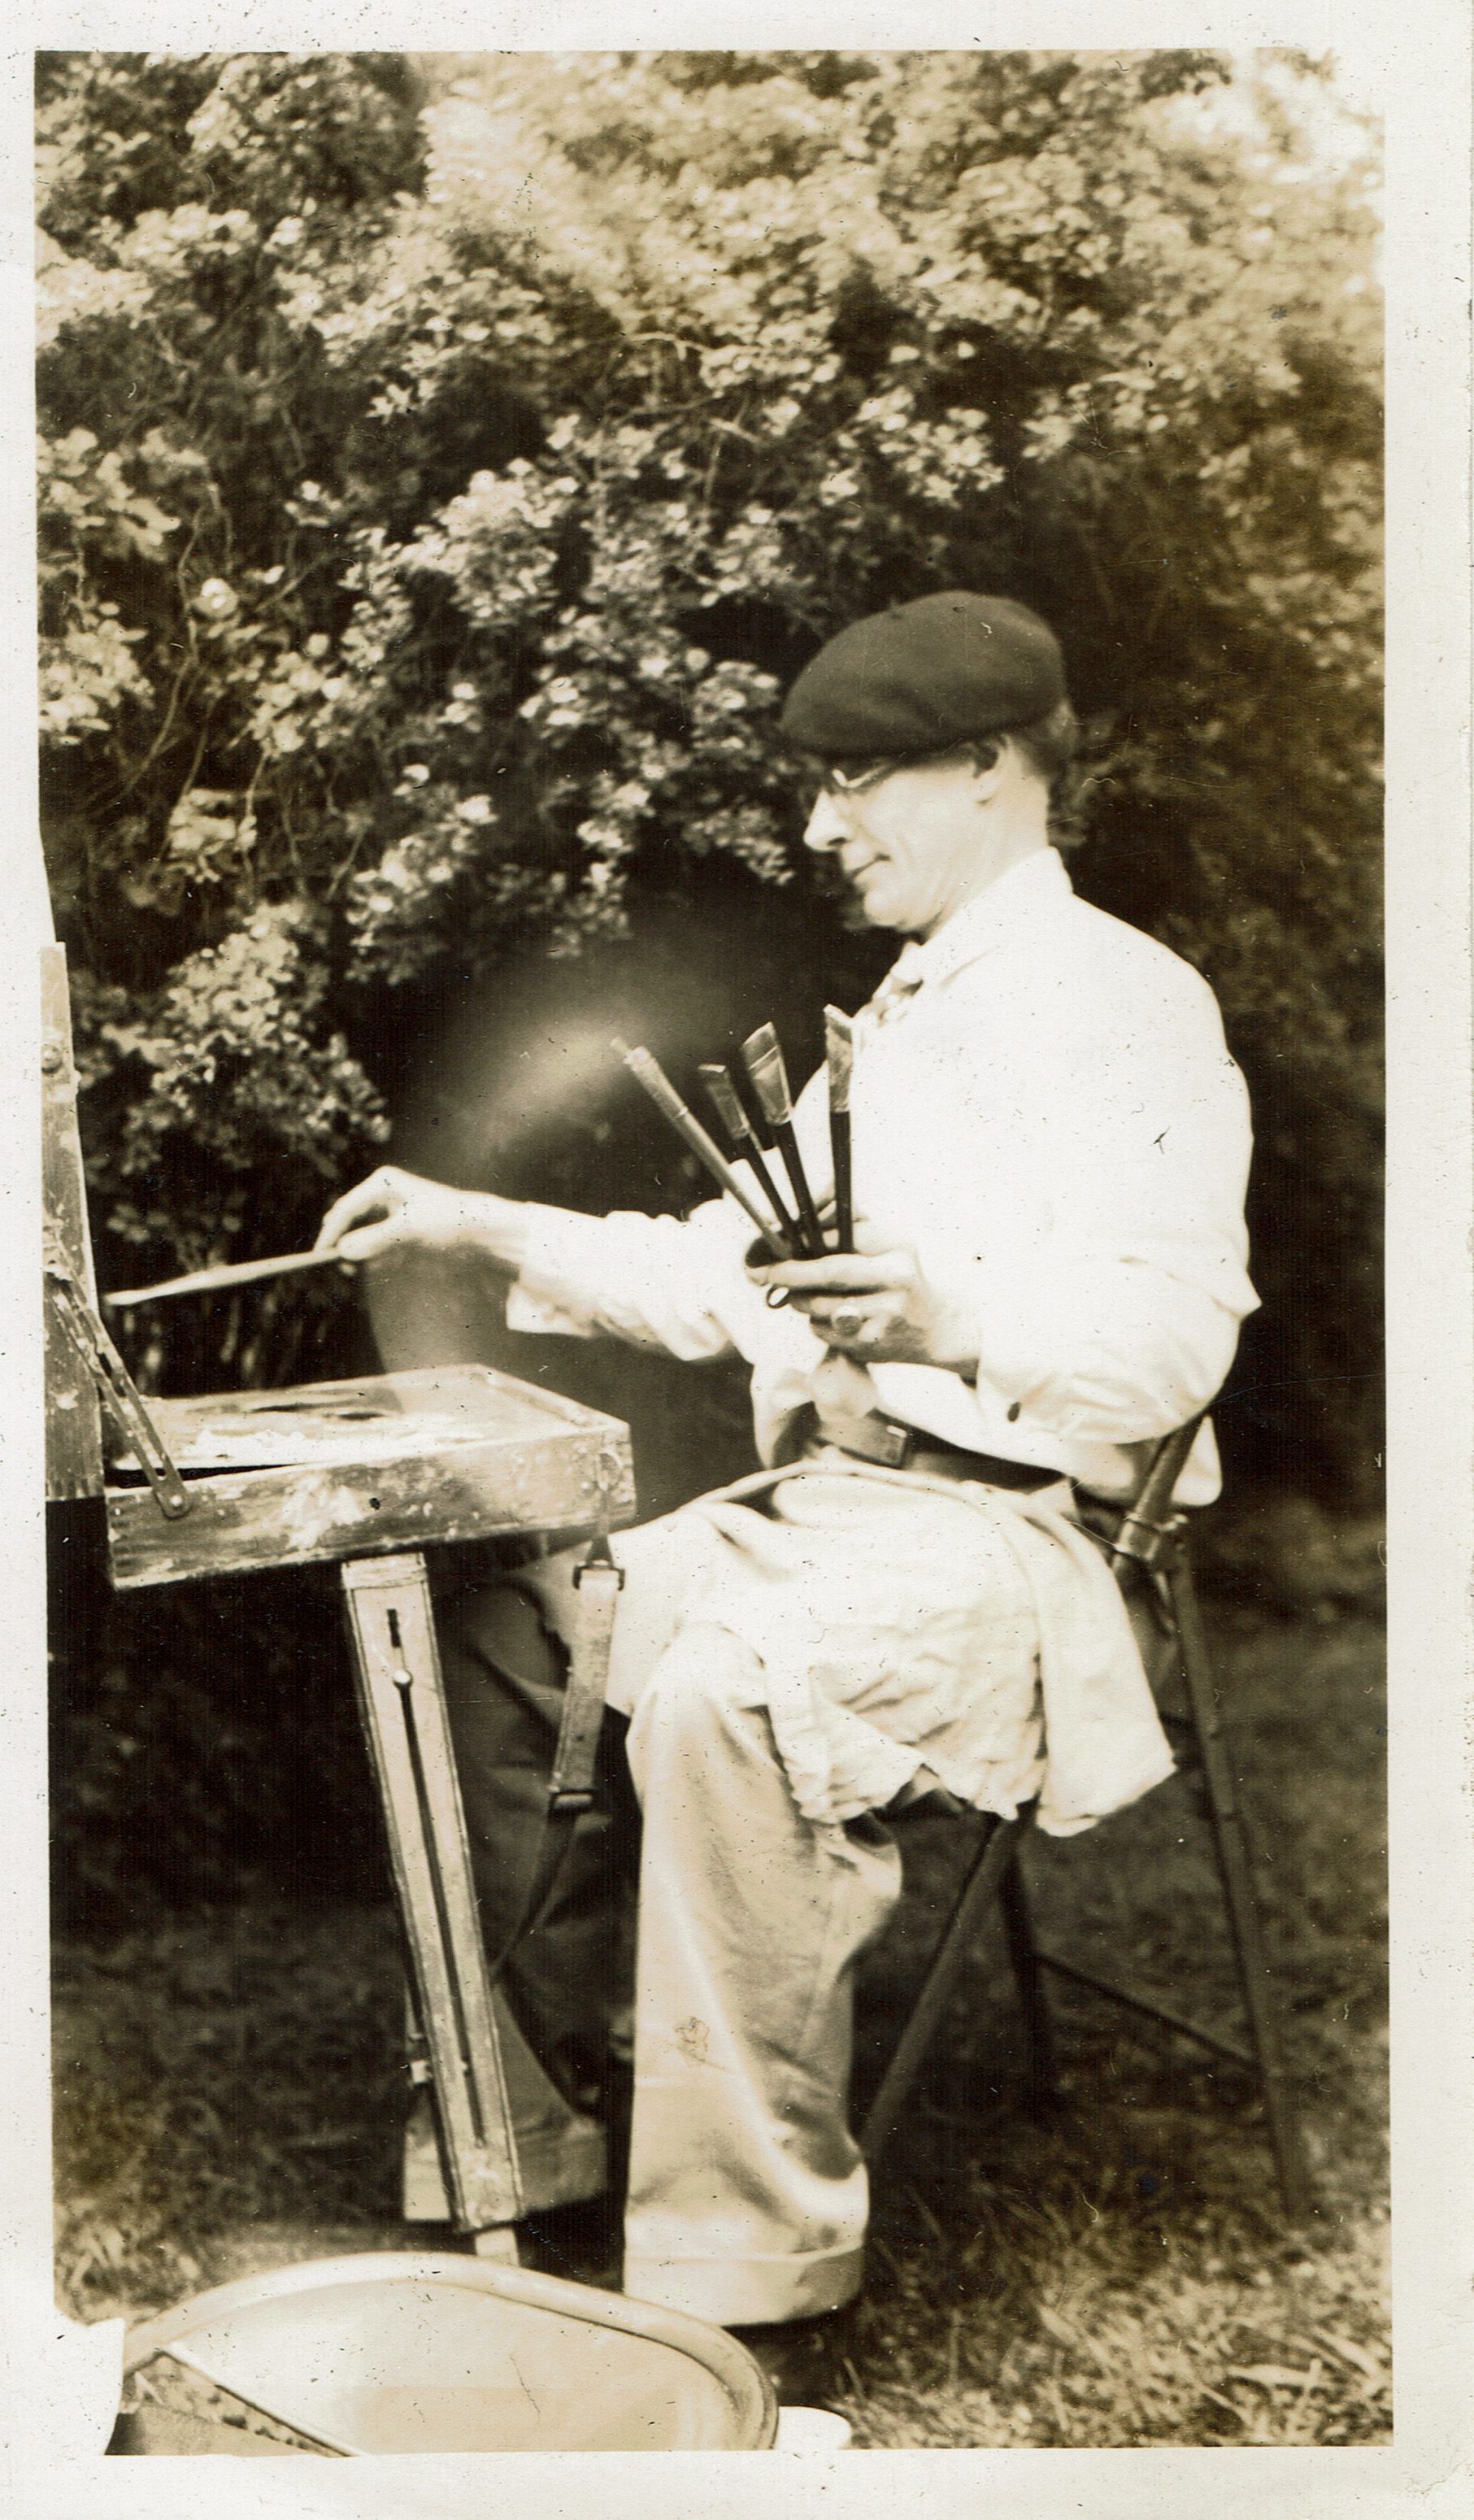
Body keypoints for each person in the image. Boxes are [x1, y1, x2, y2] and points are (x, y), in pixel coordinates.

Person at [316, 591, 1257, 2392]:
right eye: (818, 787)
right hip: (825, 1510)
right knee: (498, 1623)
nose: (822, 828)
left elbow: (1173, 1345)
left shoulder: (1129, 1003)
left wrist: (947, 1316)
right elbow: (722, 1269)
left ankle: (737, 2279)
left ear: (985, 768)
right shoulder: (901, 1014)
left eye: (855, 783)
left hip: (1029, 1538)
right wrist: (473, 1218)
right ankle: (526, 2154)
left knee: (726, 1691)